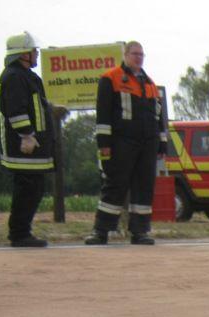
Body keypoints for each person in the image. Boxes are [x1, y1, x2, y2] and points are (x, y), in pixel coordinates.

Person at [86, 40, 166, 245]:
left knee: (144, 186)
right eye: (135, 54)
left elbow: (159, 117)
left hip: (147, 143)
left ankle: (140, 231)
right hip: (122, 142)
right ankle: (101, 231)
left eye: (141, 54)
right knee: (115, 184)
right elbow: (103, 114)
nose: (138, 58)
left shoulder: (150, 83)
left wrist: (162, 142)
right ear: (125, 55)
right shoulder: (110, 78)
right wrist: (104, 144)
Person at [0, 32, 54, 247]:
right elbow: (16, 110)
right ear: (23, 53)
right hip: (23, 146)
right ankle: (19, 234)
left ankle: (22, 232)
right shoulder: (14, 76)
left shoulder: (24, 75)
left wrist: (50, 109)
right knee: (27, 190)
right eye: (33, 50)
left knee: (33, 189)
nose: (36, 53)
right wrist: (26, 135)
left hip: (32, 145)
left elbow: (33, 106)